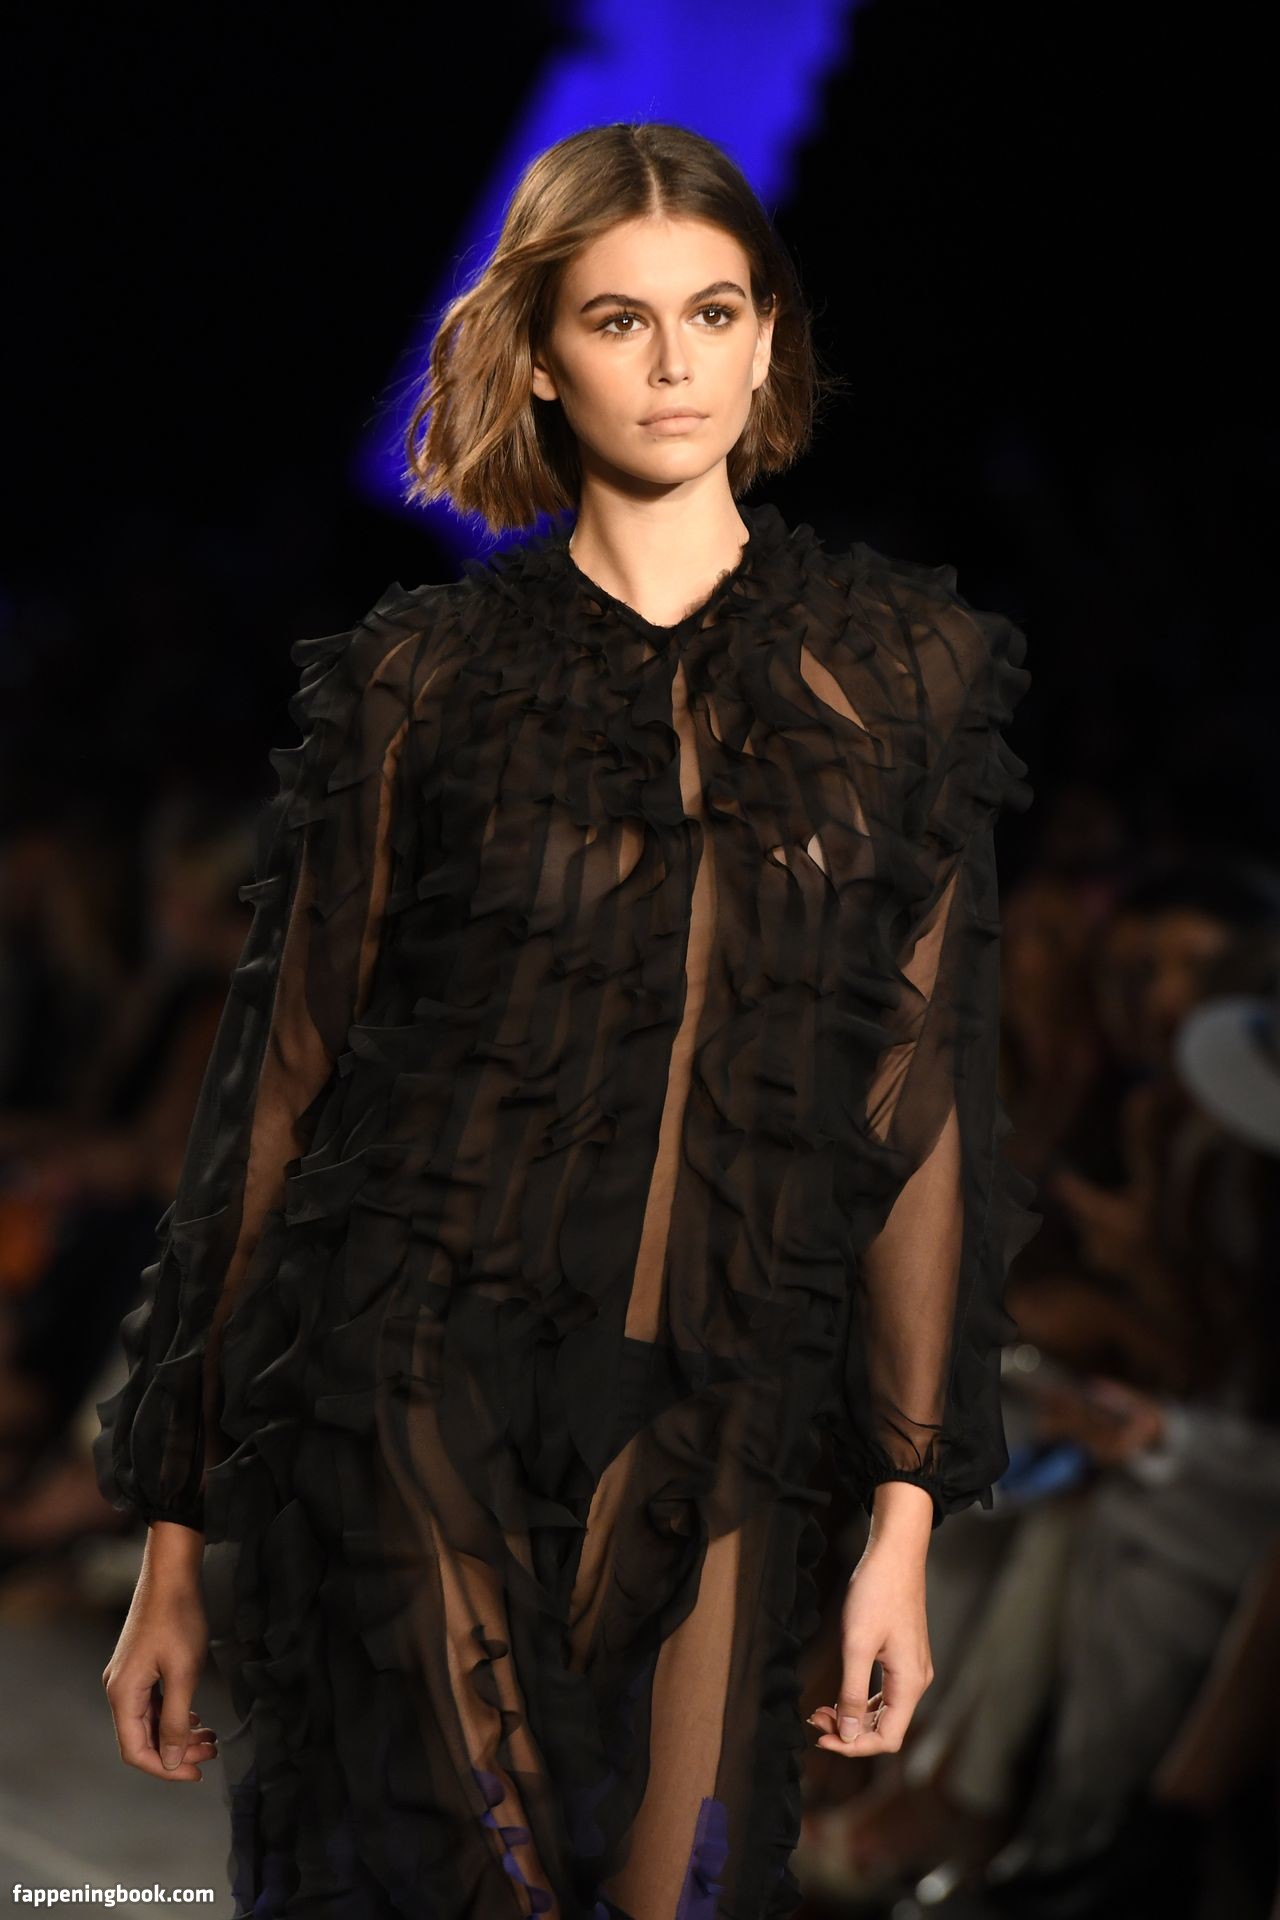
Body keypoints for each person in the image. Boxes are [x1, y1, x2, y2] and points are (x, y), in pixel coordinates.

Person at [93, 120, 1037, 1919]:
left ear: (770, 337)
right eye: (620, 319)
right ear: (539, 355)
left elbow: (921, 1102)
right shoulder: (423, 683)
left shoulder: (907, 679)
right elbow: (280, 1095)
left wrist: (904, 1524)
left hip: (740, 1415)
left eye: (714, 312)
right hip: (409, 1384)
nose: (674, 364)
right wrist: (175, 1532)